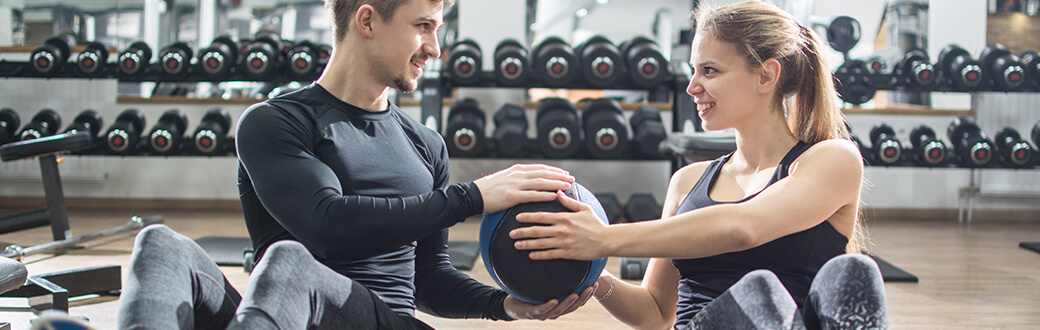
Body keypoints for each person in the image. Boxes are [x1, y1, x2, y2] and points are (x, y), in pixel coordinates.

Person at [117, 0, 595, 328]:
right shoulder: (275, 122)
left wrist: (504, 305)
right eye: (423, 26)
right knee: (160, 245)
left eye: (437, 29)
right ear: (367, 21)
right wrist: (471, 198)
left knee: (290, 263)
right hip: (284, 316)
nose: (434, 49)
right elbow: (326, 225)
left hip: (383, 321)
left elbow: (426, 278)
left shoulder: (424, 143)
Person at [509, 2, 888, 329]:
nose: (692, 86)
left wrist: (604, 239)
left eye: (709, 71)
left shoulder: (832, 160)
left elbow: (745, 227)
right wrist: (590, 275)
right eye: (693, 70)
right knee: (760, 292)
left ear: (766, 75)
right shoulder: (687, 181)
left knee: (854, 271)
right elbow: (656, 314)